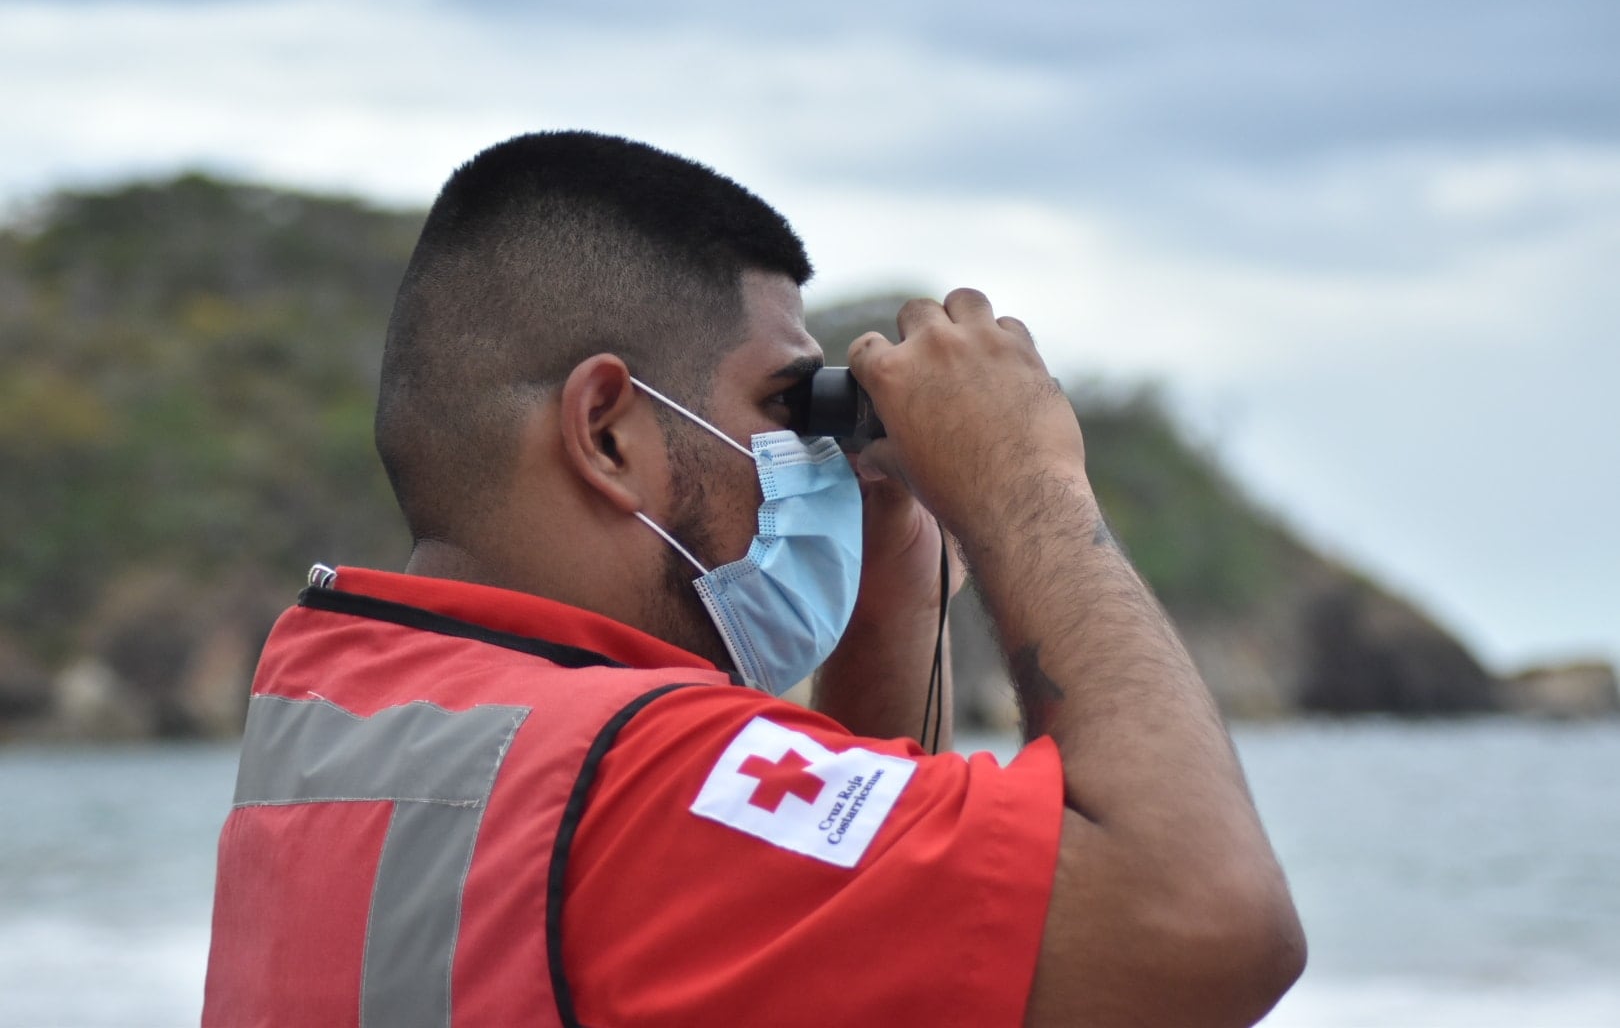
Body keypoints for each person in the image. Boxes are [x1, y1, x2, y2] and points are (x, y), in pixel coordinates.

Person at [203, 130, 1305, 1027]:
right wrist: (1028, 481)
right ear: (608, 432)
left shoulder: (329, 703)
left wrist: (891, 598)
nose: (811, 466)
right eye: (786, 408)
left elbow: (853, 956)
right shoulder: (630, 779)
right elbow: (1207, 921)